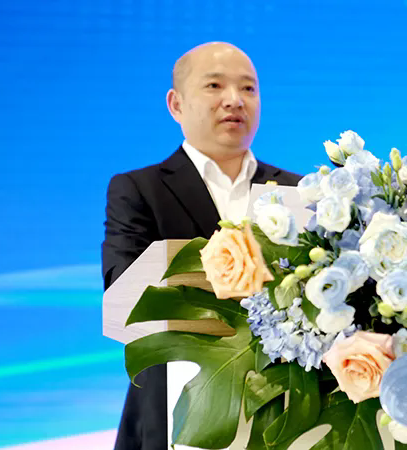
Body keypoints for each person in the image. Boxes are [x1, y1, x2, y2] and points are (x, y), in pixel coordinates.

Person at [102, 42, 301, 450]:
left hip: (286, 415)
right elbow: (126, 294)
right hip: (174, 410)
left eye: (248, 88)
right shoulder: (139, 190)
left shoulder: (298, 192)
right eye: (215, 85)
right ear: (176, 104)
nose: (234, 100)